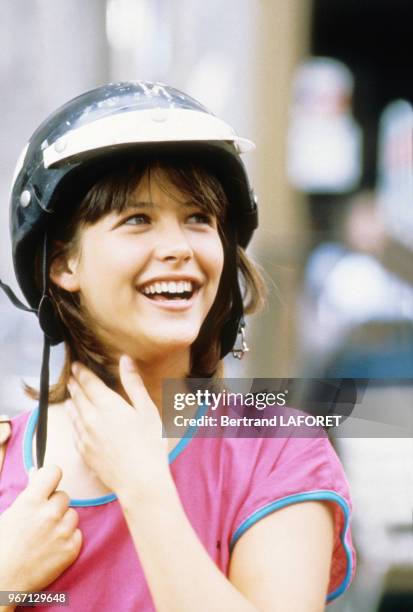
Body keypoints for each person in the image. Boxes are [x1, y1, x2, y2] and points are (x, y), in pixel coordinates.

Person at [0, 81, 355, 611]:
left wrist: (144, 485)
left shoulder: (279, 453)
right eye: (137, 220)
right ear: (61, 264)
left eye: (199, 218)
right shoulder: (5, 459)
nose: (178, 248)